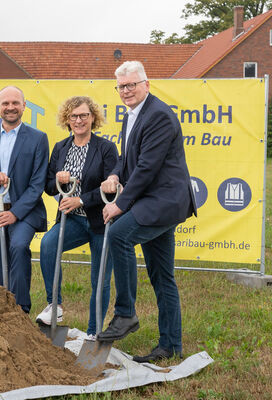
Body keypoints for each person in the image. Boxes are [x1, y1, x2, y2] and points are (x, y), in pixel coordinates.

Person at [98, 61, 196, 362]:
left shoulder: (159, 116)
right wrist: (115, 174)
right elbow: (129, 159)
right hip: (152, 200)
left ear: (146, 85)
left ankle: (126, 313)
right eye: (122, 86)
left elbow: (147, 167)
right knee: (162, 275)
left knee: (119, 234)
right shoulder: (133, 115)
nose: (126, 91)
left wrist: (119, 204)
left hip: (164, 201)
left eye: (132, 85)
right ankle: (170, 346)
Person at [35, 96, 118, 341]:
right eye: (74, 116)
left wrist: (81, 200)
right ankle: (55, 306)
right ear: (67, 120)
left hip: (102, 221)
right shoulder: (61, 148)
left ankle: (94, 333)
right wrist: (58, 181)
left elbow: (111, 188)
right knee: (48, 245)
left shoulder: (106, 149)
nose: (79, 120)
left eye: (83, 115)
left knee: (100, 278)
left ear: (93, 117)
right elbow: (49, 186)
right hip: (72, 221)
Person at [0, 86, 49, 313]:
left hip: (24, 211)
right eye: (5, 103)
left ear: (24, 106)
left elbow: (37, 184)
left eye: (15, 103)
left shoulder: (37, 139)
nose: (10, 107)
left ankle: (21, 308)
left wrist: (15, 213)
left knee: (18, 246)